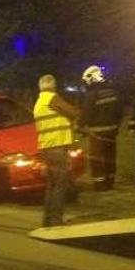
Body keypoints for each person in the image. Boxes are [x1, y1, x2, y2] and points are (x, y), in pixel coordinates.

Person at [33, 74, 79, 227]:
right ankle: (56, 220)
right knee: (60, 184)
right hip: (57, 147)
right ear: (53, 86)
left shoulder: (39, 102)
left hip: (46, 147)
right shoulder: (52, 98)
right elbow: (72, 112)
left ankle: (47, 219)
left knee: (52, 185)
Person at [80, 65, 123, 191]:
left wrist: (79, 126)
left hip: (96, 133)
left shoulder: (92, 95)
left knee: (96, 159)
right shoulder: (113, 92)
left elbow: (86, 114)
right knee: (110, 157)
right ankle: (110, 181)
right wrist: (116, 125)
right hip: (112, 131)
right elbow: (120, 111)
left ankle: (99, 185)